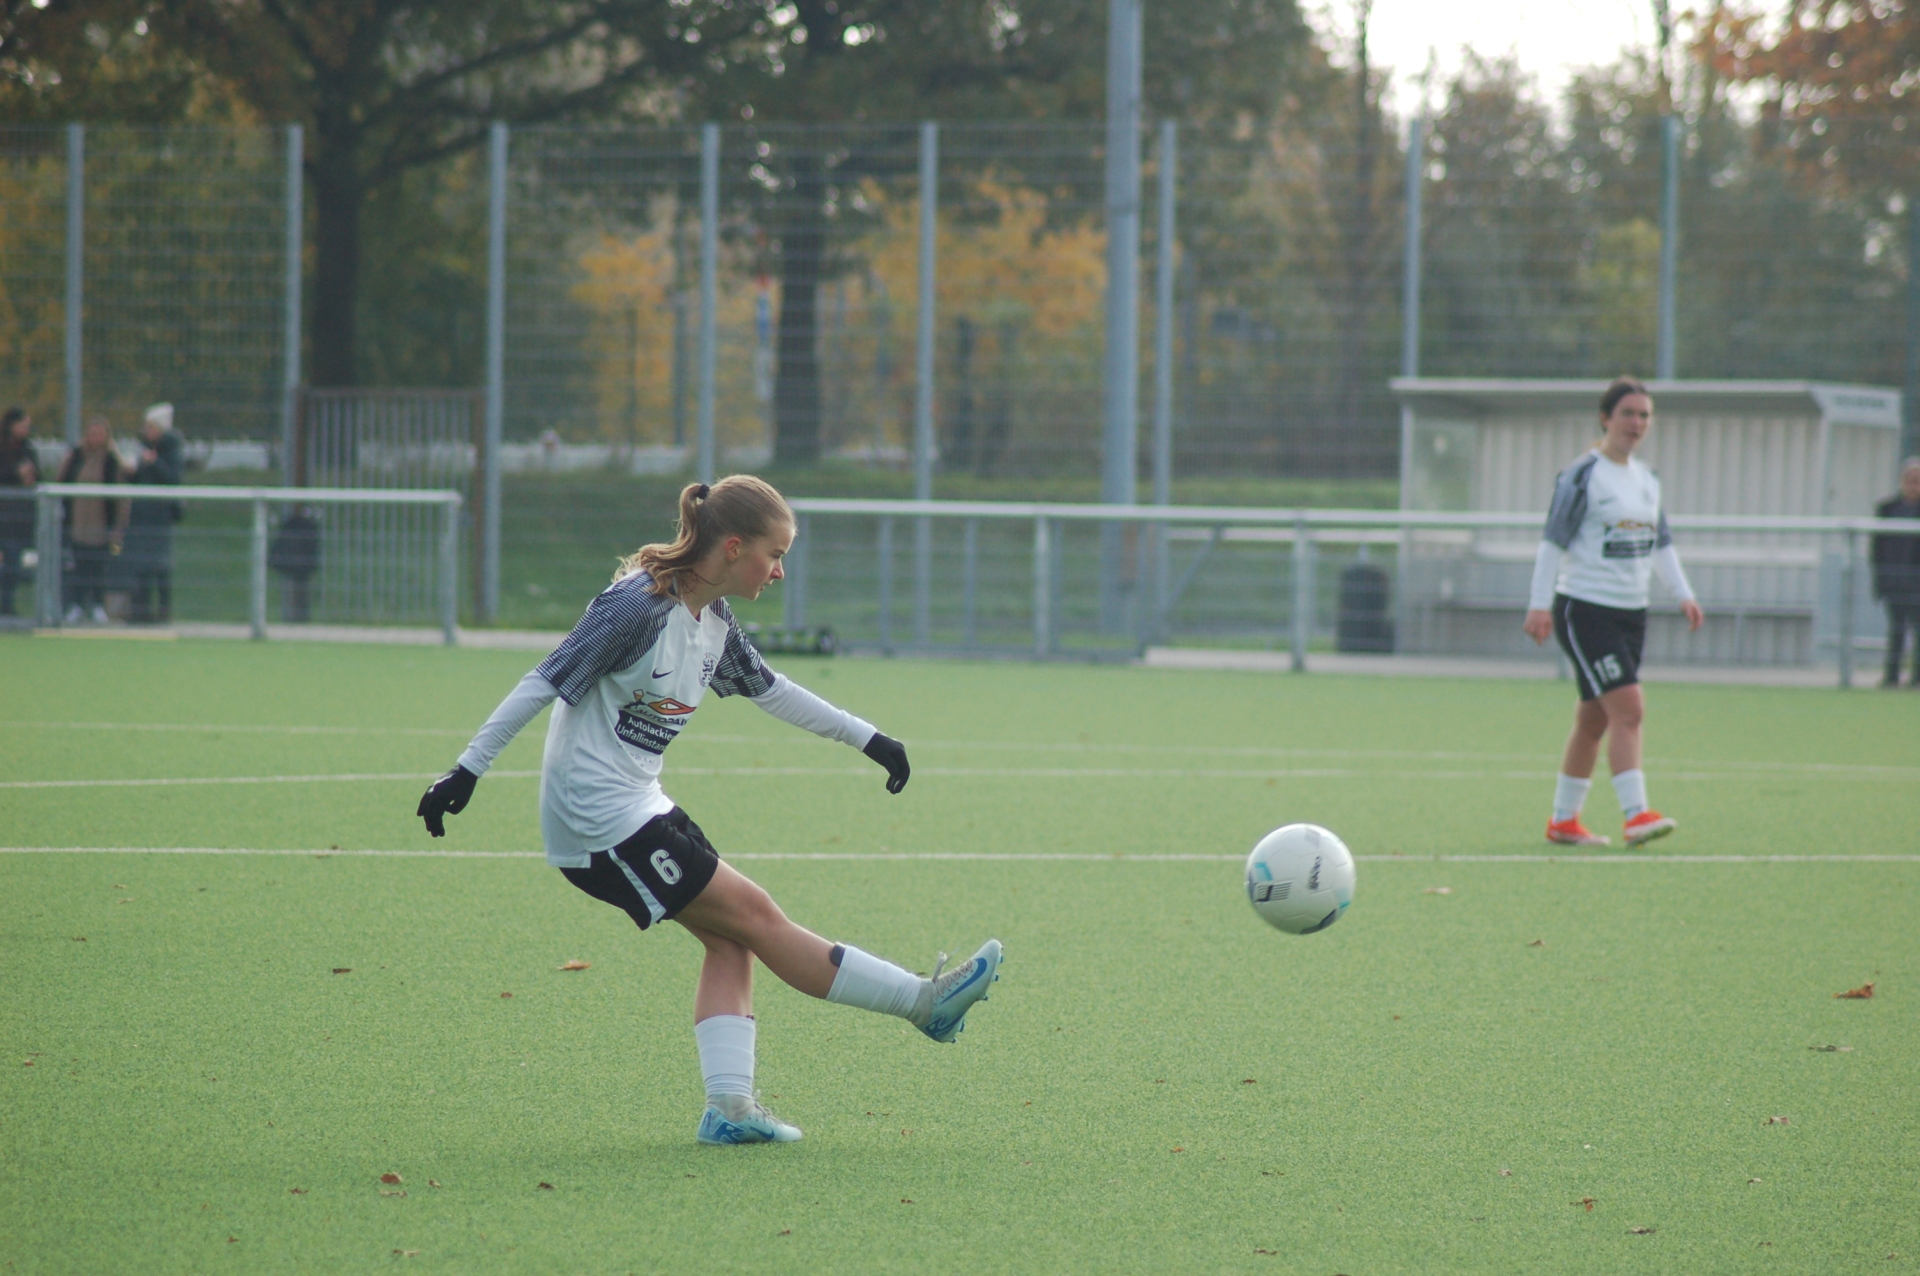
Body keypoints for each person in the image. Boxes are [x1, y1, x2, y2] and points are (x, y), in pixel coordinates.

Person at [416, 475, 1003, 1146]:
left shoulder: (712, 620)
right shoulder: (637, 608)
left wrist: (868, 739)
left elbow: (771, 690)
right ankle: (922, 1004)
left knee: (733, 940)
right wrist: (467, 770)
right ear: (732, 547)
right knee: (758, 917)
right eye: (774, 555)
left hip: (641, 805)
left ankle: (729, 1110)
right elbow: (542, 680)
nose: (779, 572)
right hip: (598, 820)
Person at [1522, 378, 1705, 847]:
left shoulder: (1647, 479)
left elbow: (1660, 542)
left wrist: (1682, 593)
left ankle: (1564, 821)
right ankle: (1636, 814)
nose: (1636, 423)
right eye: (1628, 413)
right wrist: (1539, 603)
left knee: (1594, 719)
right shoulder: (1584, 475)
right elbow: (1552, 541)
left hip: (1631, 612)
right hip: (1586, 609)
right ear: (1605, 418)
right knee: (1629, 709)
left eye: (1644, 415)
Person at [56, 416, 130, 625]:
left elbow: (121, 497)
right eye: (92, 433)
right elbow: (62, 482)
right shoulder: (76, 456)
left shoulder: (112, 460)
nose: (95, 438)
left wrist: (118, 527)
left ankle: (97, 605)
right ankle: (77, 605)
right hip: (78, 523)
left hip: (100, 523)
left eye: (99, 434)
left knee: (98, 565)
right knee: (78, 565)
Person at [125, 402, 184, 624]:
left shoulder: (171, 449)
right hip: (141, 516)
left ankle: (163, 612)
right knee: (140, 565)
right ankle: (140, 611)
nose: (146, 431)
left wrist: (155, 462)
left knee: (161, 566)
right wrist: (131, 471)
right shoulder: (143, 448)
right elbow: (137, 479)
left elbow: (173, 479)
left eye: (150, 427)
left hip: (160, 517)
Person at [1872, 457, 1920, 688]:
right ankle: (1891, 676)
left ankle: (1917, 679)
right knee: (1896, 630)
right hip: (1894, 580)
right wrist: (1880, 581)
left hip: (1917, 581)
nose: (1913, 484)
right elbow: (1877, 547)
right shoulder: (1887, 509)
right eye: (1909, 479)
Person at [0, 407, 36, 617]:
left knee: (13, 563)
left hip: (17, 520)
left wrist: (30, 476)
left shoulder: (27, 449)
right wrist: (15, 473)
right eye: (23, 425)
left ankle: (7, 605)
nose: (26, 430)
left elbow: (35, 474)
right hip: (2, 515)